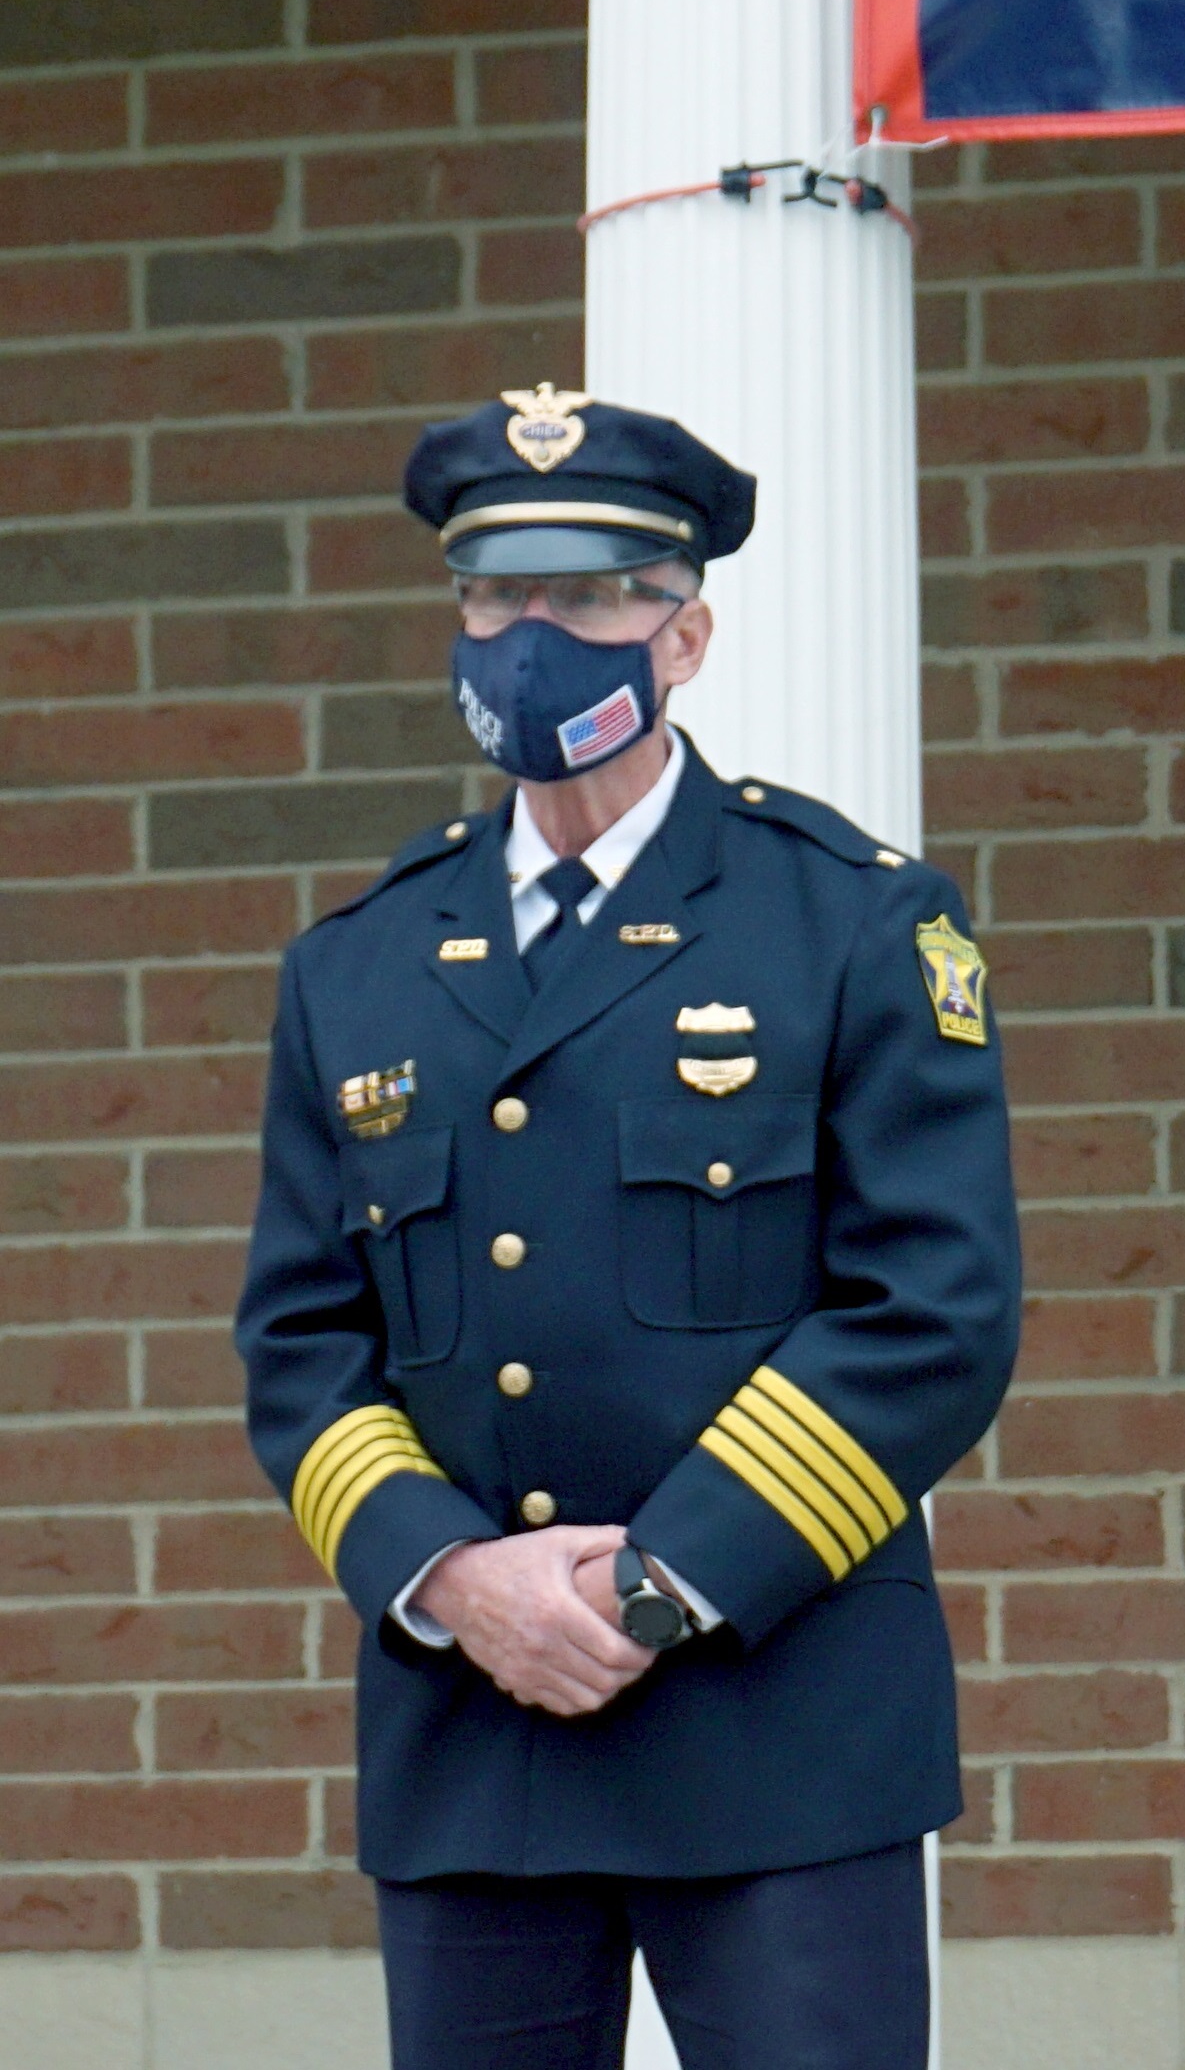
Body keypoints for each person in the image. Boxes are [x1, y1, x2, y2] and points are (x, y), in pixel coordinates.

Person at [232, 386, 1021, 2070]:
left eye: (590, 598)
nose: (538, 639)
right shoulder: (355, 962)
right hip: (474, 1740)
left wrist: (653, 1587)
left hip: (779, 1720)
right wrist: (455, 1576)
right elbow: (300, 1347)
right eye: (500, 598)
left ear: (686, 633)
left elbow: (933, 1311)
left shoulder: (853, 917)